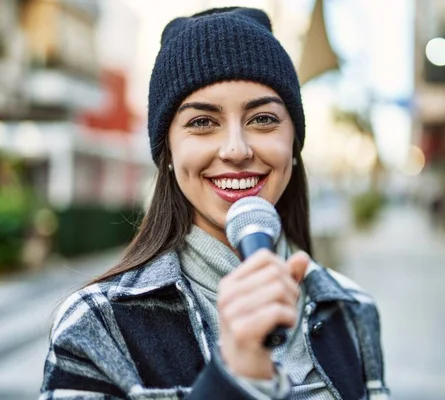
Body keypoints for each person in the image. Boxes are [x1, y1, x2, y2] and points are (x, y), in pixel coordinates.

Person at [40, 7, 389, 400]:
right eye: (203, 122)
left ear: (294, 144)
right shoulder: (96, 324)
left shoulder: (352, 309)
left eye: (263, 119)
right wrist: (233, 380)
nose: (236, 149)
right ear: (168, 151)